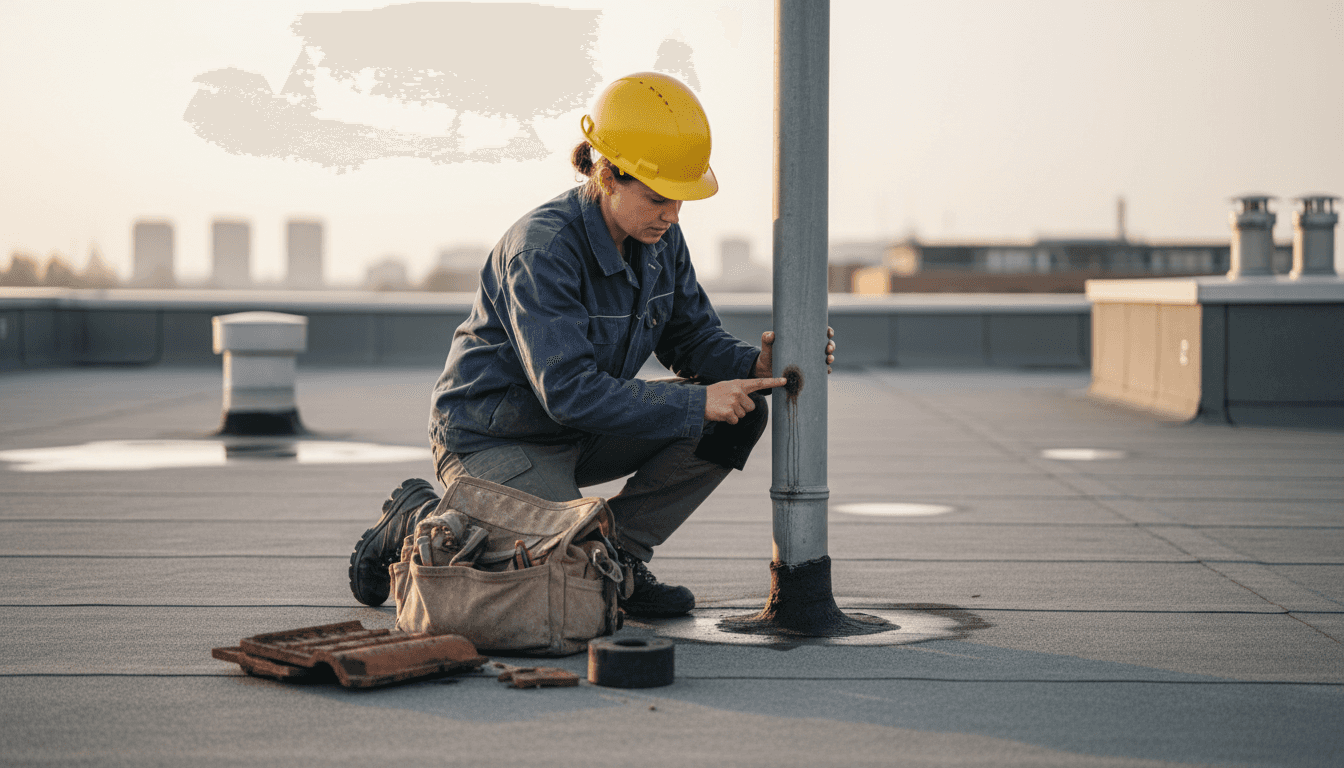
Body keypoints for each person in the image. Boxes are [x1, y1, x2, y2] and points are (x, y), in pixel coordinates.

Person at [349, 72, 834, 618]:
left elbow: (691, 338)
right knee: (554, 579)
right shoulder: (542, 250)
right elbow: (569, 392)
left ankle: (619, 557)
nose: (673, 215)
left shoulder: (660, 237)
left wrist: (754, 364)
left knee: (737, 417)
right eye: (657, 199)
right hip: (493, 438)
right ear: (607, 174)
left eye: (680, 200)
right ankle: (420, 517)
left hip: (581, 429)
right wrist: (697, 401)